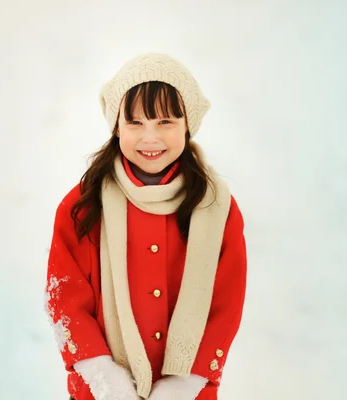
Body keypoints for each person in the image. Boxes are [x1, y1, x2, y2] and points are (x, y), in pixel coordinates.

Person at [45, 53, 247, 400]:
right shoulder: (81, 206)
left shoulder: (217, 208)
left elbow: (225, 303)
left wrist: (186, 383)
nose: (149, 138)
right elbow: (65, 298)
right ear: (117, 127)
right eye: (135, 123)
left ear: (187, 124)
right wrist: (104, 375)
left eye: (165, 121)